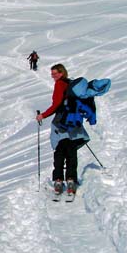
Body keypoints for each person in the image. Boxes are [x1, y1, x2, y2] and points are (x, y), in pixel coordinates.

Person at [35, 63, 89, 195]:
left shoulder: (59, 84)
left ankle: (58, 180)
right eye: (52, 73)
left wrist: (43, 115)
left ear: (61, 73)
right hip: (73, 121)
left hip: (61, 121)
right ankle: (71, 179)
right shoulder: (69, 83)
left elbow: (56, 103)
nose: (53, 76)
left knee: (59, 150)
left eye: (55, 73)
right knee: (71, 150)